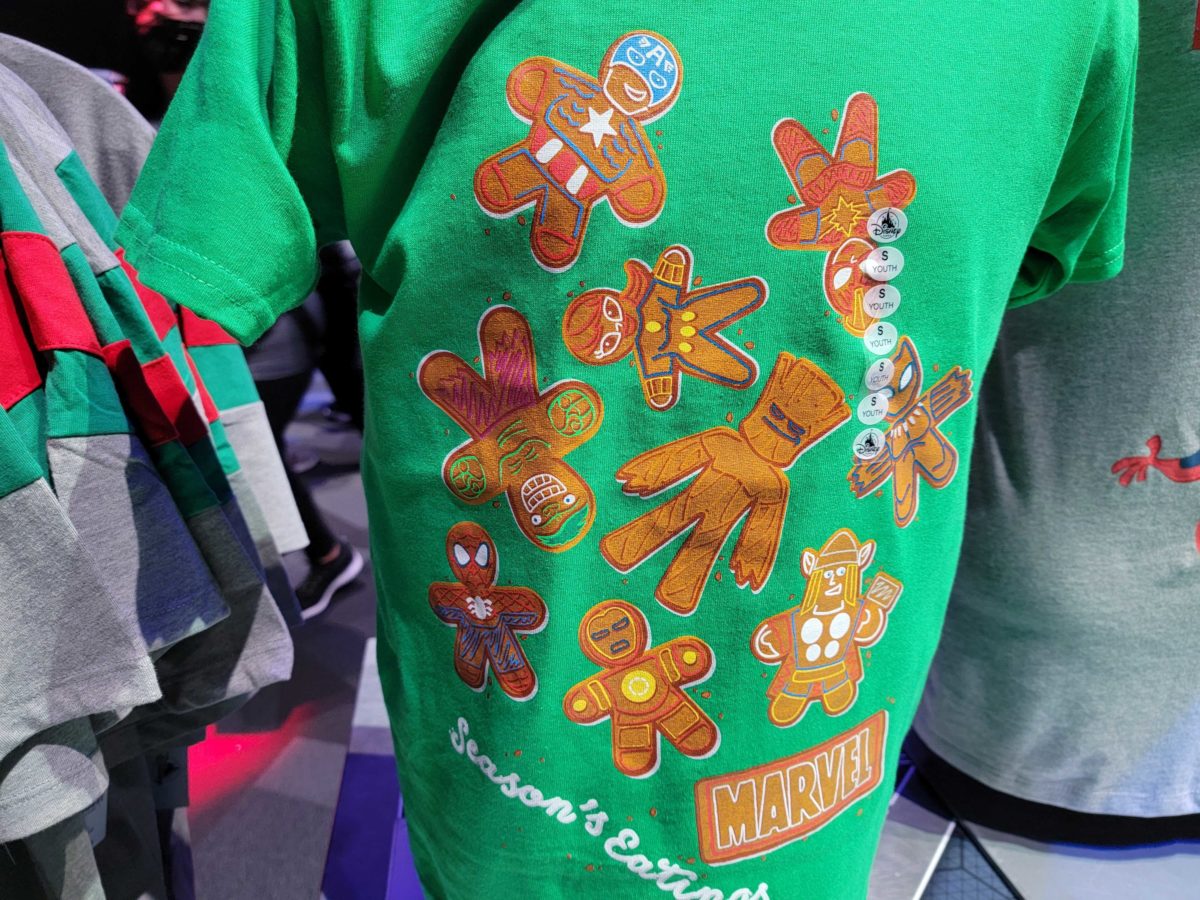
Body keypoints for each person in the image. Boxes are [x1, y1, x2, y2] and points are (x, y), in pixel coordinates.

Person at [117, 3, 1137, 897]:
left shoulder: (1069, 14)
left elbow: (986, 277)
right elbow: (213, 243)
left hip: (812, 796)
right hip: (499, 794)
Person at [247, 244, 365, 620]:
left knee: (259, 452)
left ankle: (328, 554)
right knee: (260, 450)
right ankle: (328, 553)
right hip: (286, 319)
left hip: (276, 328)